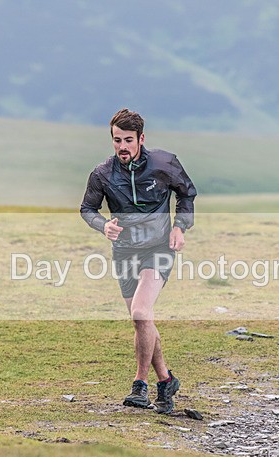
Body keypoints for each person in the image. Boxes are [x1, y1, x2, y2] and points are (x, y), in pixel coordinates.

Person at [80, 108, 197, 414]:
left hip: (158, 248)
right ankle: (166, 380)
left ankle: (140, 387)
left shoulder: (164, 163)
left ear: (141, 139)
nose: (122, 146)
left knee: (141, 312)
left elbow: (186, 195)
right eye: (117, 140)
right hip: (124, 251)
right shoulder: (102, 174)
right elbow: (87, 209)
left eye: (128, 140)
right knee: (141, 320)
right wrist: (102, 225)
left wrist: (179, 227)